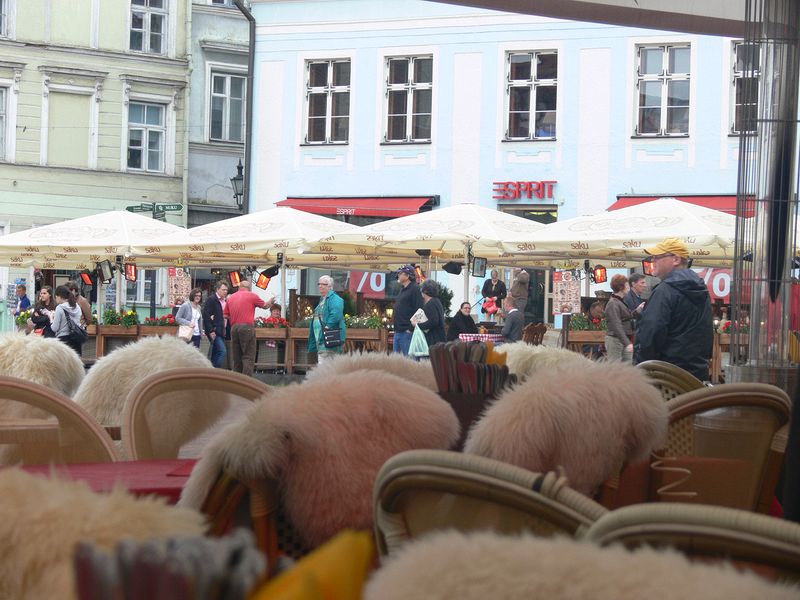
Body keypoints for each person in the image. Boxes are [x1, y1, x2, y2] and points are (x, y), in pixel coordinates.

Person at [634, 238, 713, 381]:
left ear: (676, 259)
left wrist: (640, 369)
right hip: (696, 377)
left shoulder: (665, 290)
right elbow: (707, 335)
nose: (653, 261)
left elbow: (650, 336)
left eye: (657, 257)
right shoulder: (702, 290)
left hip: (666, 378)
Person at [225, 279, 272, 376]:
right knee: (248, 355)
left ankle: (237, 380)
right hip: (247, 327)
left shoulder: (231, 298)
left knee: (236, 356)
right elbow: (265, 306)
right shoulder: (252, 296)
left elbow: (225, 315)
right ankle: (246, 381)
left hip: (234, 328)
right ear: (249, 288)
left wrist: (235, 318)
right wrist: (271, 301)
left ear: (239, 287)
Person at [308, 275, 346, 362]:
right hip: (322, 338)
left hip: (329, 337)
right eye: (319, 284)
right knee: (326, 364)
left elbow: (336, 314)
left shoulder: (335, 299)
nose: (320, 286)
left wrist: (327, 327)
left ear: (330, 286)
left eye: (323, 284)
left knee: (324, 365)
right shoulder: (322, 299)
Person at [392, 265, 424, 355]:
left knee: (409, 362)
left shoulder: (415, 289)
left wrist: (410, 329)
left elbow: (420, 310)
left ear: (408, 276)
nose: (398, 275)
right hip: (398, 331)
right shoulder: (403, 290)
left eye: (400, 273)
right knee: (396, 362)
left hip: (407, 333)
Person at [604, 275, 634, 362]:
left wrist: (637, 311)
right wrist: (627, 343)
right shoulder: (613, 303)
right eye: (627, 285)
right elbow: (616, 324)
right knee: (615, 369)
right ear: (621, 287)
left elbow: (624, 318)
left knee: (626, 368)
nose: (629, 287)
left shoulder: (619, 301)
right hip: (615, 340)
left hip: (622, 339)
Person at [202, 280, 230, 368]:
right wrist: (210, 330)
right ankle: (214, 372)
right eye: (223, 290)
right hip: (214, 331)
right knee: (222, 351)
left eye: (226, 290)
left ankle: (211, 373)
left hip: (222, 331)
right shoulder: (212, 299)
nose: (225, 292)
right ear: (217, 289)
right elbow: (206, 316)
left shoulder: (225, 301)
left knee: (215, 353)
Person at [50, 284, 84, 355]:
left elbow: (55, 328)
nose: (55, 299)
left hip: (63, 341)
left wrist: (51, 318)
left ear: (59, 296)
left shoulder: (60, 308)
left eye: (56, 297)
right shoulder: (77, 306)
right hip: (76, 339)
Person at [417, 280, 446, 347]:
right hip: (439, 338)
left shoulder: (431, 304)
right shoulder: (436, 301)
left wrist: (417, 325)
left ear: (425, 291)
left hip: (433, 340)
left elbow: (433, 322)